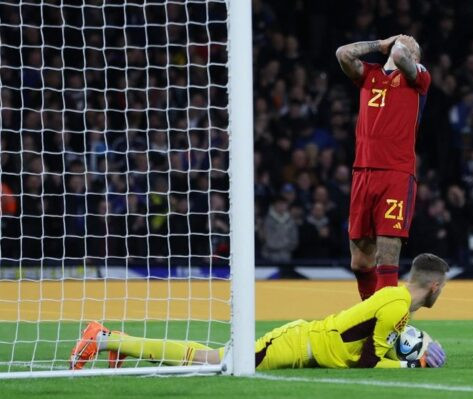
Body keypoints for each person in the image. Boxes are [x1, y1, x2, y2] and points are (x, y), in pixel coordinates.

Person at [70, 253, 448, 370]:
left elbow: (373, 347)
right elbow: (368, 361)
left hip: (309, 346)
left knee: (212, 360)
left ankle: (120, 343)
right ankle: (104, 338)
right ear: (434, 285)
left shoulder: (397, 302)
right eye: (442, 288)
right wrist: (408, 364)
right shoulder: (397, 305)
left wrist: (410, 350)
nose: (441, 293)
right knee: (214, 362)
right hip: (297, 344)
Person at [335, 34, 431, 300]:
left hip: (396, 174)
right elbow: (343, 53)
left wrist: (400, 45)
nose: (407, 39)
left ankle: (386, 331)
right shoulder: (369, 75)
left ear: (416, 58)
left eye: (413, 42)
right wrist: (379, 45)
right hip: (362, 172)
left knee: (387, 255)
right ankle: (371, 323)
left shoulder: (419, 78)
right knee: (361, 263)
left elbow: (401, 57)